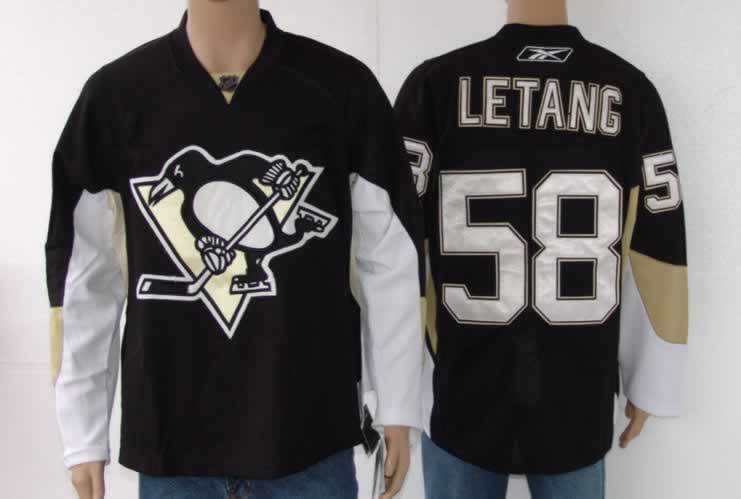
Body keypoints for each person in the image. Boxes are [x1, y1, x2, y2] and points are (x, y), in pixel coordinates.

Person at [45, 1, 424, 498]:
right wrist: (82, 432)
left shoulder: (341, 89)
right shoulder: (115, 98)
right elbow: (85, 279)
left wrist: (397, 404)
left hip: (306, 441)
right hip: (173, 448)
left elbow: (390, 260)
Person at [394, 0, 688, 497]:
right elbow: (657, 246)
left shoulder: (435, 85)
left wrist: (393, 384)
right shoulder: (628, 90)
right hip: (572, 391)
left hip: (460, 385)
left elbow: (396, 247)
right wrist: (653, 377)